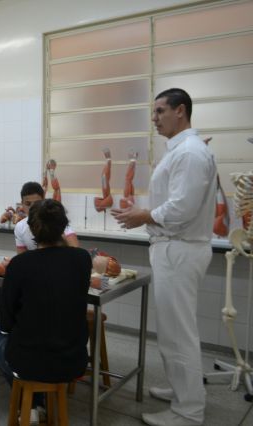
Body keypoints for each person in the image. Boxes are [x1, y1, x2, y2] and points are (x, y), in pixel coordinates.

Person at [112, 88, 216, 426]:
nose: (154, 119)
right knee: (174, 330)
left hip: (180, 247)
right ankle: (182, 391)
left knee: (178, 332)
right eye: (153, 112)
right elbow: (174, 200)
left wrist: (144, 215)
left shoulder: (189, 152)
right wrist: (142, 211)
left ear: (180, 111)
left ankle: (188, 411)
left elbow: (182, 208)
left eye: (160, 111)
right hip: (175, 247)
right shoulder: (181, 151)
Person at [0, 199, 91, 421]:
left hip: (28, 362)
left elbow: (5, 322)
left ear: (32, 229)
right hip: (73, 360)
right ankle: (37, 404)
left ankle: (31, 404)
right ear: (64, 226)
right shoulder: (82, 259)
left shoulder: (20, 264)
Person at [14, 181, 78, 252]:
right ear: (22, 204)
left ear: (43, 201)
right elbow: (22, 256)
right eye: (28, 204)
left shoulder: (56, 220)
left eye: (36, 203)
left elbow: (75, 252)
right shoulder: (20, 227)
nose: (32, 208)